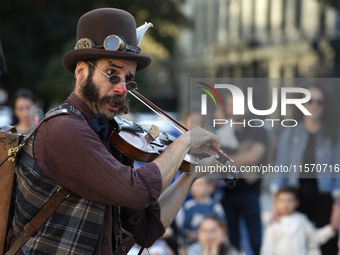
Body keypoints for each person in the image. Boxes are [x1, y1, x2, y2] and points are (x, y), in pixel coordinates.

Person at [5, 8, 223, 255]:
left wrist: (190, 174)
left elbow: (147, 229)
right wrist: (182, 143)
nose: (122, 89)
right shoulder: (63, 129)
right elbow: (137, 191)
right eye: (112, 74)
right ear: (81, 72)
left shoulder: (109, 135)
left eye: (128, 80)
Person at [271, 83, 340, 255]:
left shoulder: (334, 134)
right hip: (296, 197)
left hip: (325, 197)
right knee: (294, 245)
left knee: (328, 246)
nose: (314, 106)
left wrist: (338, 206)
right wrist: (276, 203)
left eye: (319, 102)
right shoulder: (291, 132)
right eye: (310, 101)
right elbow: (281, 167)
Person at [217, 93, 268, 255]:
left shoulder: (258, 129)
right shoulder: (223, 132)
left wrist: (225, 159)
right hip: (226, 192)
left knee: (256, 240)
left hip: (250, 190)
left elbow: (253, 157)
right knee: (232, 239)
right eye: (231, 105)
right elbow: (215, 158)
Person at [261, 186, 336, 255]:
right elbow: (267, 247)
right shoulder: (274, 223)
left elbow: (314, 237)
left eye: (289, 200)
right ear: (276, 203)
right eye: (282, 201)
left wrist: (331, 229)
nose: (286, 204)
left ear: (297, 202)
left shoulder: (302, 220)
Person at [183, 177, 226, 245]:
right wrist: (189, 234)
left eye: (199, 184)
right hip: (193, 244)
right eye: (193, 184)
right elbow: (184, 227)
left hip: (213, 243)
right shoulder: (188, 206)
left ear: (210, 187)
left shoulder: (216, 207)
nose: (195, 187)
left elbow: (223, 227)